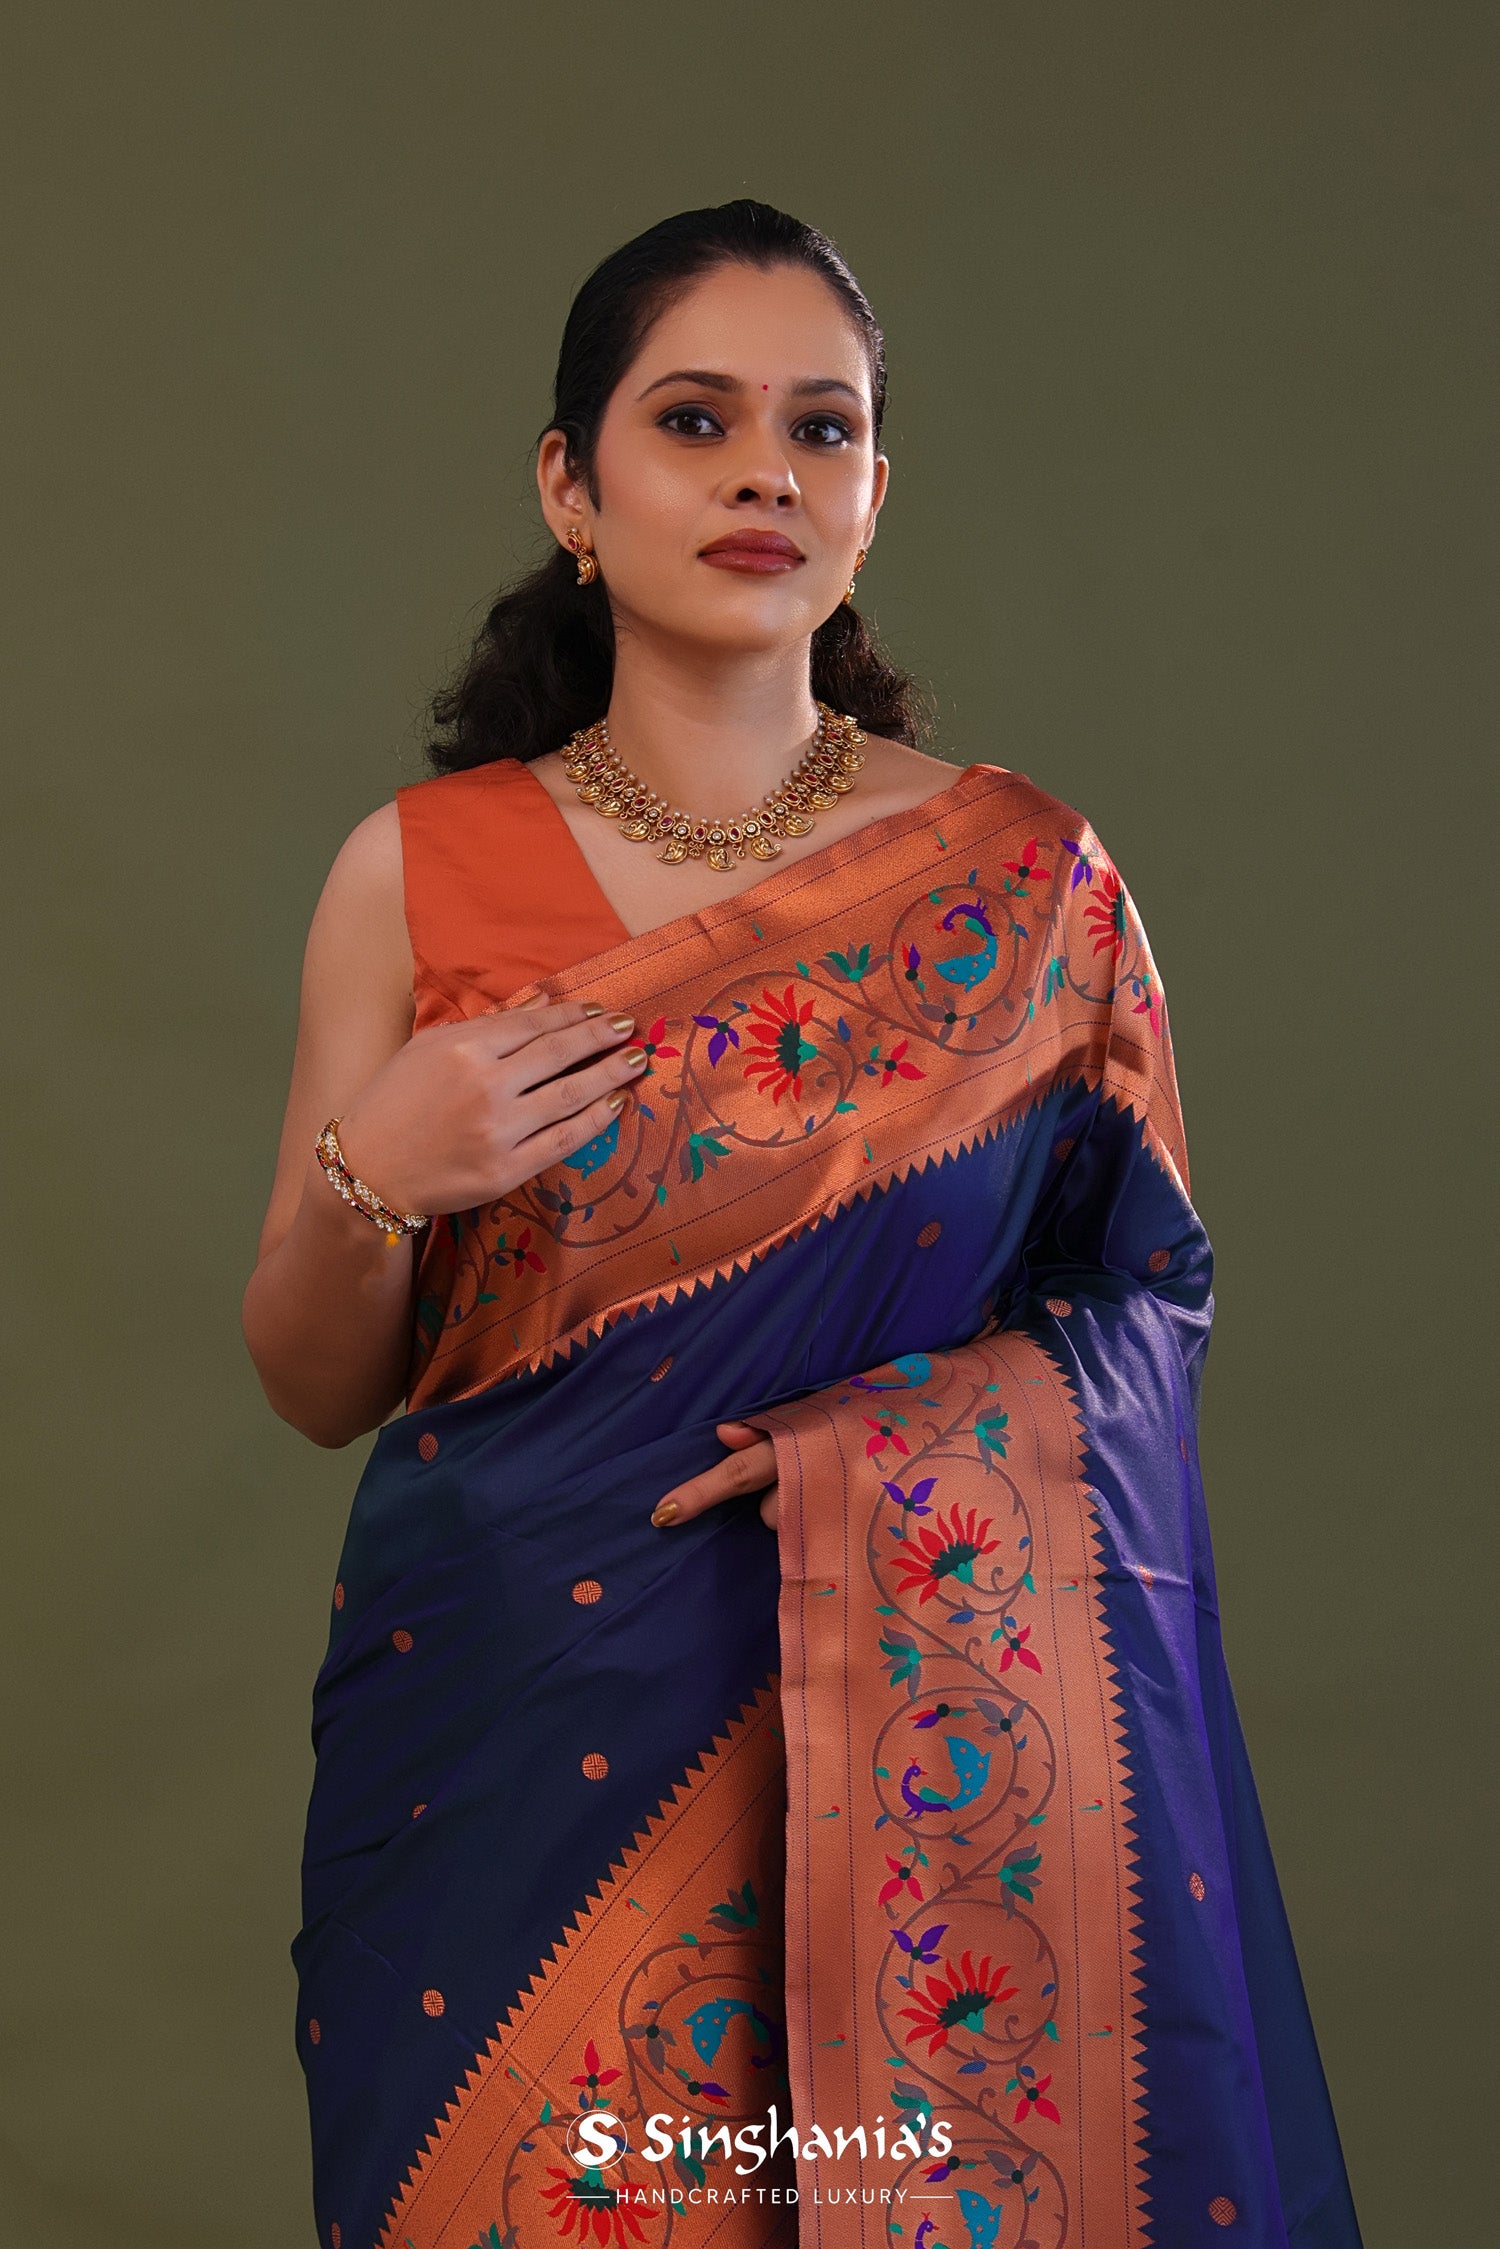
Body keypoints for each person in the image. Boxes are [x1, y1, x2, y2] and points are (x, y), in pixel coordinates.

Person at [244, 201, 1362, 2249]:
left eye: (820, 429)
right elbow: (317, 1382)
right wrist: (376, 1169)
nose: (766, 472)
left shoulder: (1026, 888)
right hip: (504, 1741)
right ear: (572, 488)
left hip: (906, 1750)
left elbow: (1146, 1301)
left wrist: (889, 1460)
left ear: (870, 498)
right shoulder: (416, 874)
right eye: (696, 420)